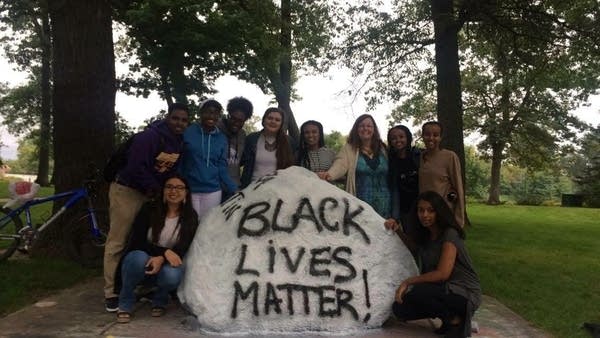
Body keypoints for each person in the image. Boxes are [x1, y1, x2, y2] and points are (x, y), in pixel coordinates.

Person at [103, 103, 189, 313]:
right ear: (168, 118)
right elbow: (134, 167)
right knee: (118, 240)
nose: (179, 123)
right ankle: (111, 291)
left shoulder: (178, 143)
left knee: (144, 238)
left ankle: (141, 282)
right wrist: (155, 189)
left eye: (184, 120)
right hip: (129, 190)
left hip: (152, 194)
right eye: (175, 118)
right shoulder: (149, 137)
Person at [385, 191, 481, 338]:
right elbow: (413, 248)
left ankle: (455, 321)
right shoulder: (426, 234)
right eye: (421, 210)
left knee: (419, 292)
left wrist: (407, 282)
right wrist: (397, 229)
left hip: (464, 292)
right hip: (442, 290)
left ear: (439, 212)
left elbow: (442, 274)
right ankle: (449, 318)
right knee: (400, 308)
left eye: (431, 210)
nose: (425, 215)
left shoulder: (450, 234)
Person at [115, 174, 198, 323]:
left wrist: (161, 258)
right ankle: (125, 302)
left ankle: (160, 299)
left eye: (179, 187)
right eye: (170, 187)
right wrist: (163, 252)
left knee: (172, 274)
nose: (174, 191)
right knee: (137, 258)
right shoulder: (149, 209)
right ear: (163, 190)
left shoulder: (190, 216)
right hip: (143, 256)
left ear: (186, 193)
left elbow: (182, 249)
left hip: (167, 262)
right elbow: (137, 241)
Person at [320, 114, 391, 218]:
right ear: (356, 129)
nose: (365, 128)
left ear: (374, 129)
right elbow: (340, 164)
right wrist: (329, 174)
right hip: (360, 205)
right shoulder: (349, 148)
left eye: (369, 126)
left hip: (386, 204)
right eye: (361, 126)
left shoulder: (383, 148)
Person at [179, 99, 237, 220]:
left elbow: (222, 168)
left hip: (213, 191)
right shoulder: (188, 132)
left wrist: (234, 189)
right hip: (190, 189)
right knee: (188, 225)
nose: (211, 116)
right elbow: (181, 160)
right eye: (208, 112)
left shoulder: (221, 139)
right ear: (201, 113)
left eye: (215, 113)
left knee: (206, 226)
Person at [418, 121, 465, 227]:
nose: (431, 138)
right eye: (427, 134)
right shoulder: (420, 157)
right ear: (422, 136)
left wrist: (458, 221)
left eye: (435, 135)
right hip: (424, 215)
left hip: (443, 214)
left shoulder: (450, 157)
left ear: (440, 137)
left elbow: (458, 188)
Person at [239, 107, 295, 188]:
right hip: (252, 188)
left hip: (279, 189)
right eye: (270, 118)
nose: (273, 121)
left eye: (277, 120)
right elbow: (239, 161)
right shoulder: (252, 139)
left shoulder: (289, 142)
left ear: (281, 123)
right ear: (264, 120)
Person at [387, 125, 421, 232]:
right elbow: (394, 188)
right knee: (410, 237)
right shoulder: (391, 161)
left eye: (401, 137)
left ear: (408, 138)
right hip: (404, 208)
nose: (398, 140)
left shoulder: (418, 156)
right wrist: (395, 215)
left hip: (421, 205)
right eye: (394, 138)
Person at [216, 97, 254, 187]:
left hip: (234, 186)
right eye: (233, 118)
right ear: (228, 115)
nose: (236, 123)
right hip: (214, 186)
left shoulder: (242, 135)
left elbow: (241, 160)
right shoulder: (215, 130)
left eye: (240, 121)